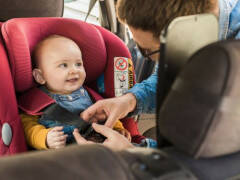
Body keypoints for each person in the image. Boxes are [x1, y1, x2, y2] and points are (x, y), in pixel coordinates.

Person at [73, 0, 240, 150]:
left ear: (184, 34)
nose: (144, 56)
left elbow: (212, 161)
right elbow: (168, 76)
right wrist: (130, 100)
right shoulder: (186, 35)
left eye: (147, 51)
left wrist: (131, 153)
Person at [20, 35, 131, 150]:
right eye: (63, 65)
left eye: (78, 64)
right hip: (64, 155)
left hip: (99, 149)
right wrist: (45, 138)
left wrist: (118, 129)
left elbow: (107, 113)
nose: (74, 70)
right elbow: (28, 128)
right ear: (40, 76)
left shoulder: (91, 95)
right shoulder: (36, 101)